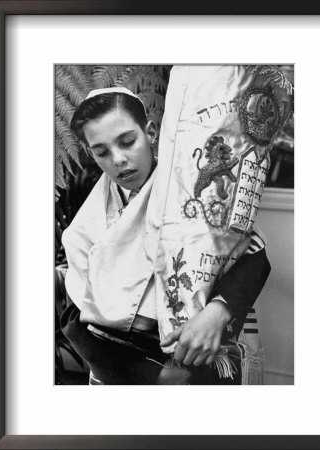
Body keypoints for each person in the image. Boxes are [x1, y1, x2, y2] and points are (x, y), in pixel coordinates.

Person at [61, 84, 271, 385]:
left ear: (151, 133)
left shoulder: (199, 190)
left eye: (127, 141)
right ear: (89, 153)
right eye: (102, 152)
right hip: (124, 373)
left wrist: (217, 311)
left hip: (201, 354)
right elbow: (76, 320)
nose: (118, 159)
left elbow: (254, 256)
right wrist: (156, 376)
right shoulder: (85, 228)